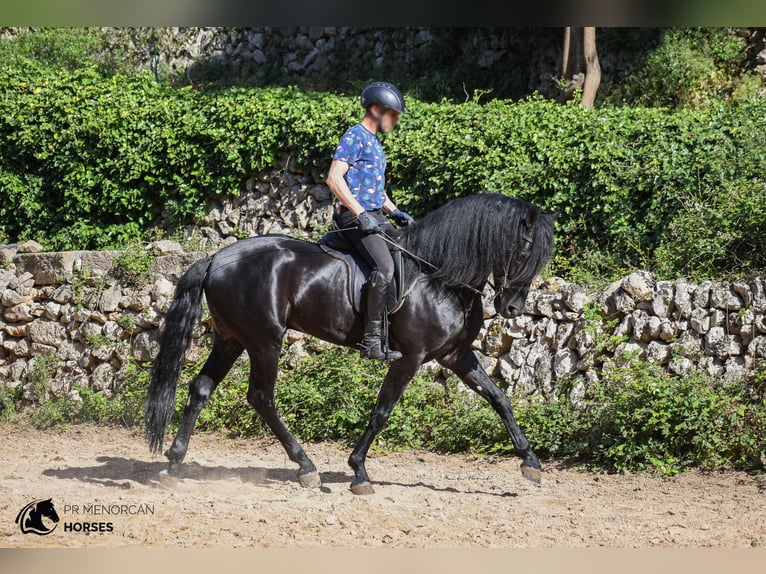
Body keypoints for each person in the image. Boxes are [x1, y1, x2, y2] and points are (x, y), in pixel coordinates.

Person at [326, 81, 414, 362]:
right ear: (376, 110)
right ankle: (371, 341)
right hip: (353, 217)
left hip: (374, 214)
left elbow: (375, 190)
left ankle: (396, 325)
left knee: (405, 251)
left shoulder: (375, 143)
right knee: (385, 266)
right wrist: (359, 213)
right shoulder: (355, 136)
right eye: (394, 114)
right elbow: (334, 178)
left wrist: (395, 211)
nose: (396, 121)